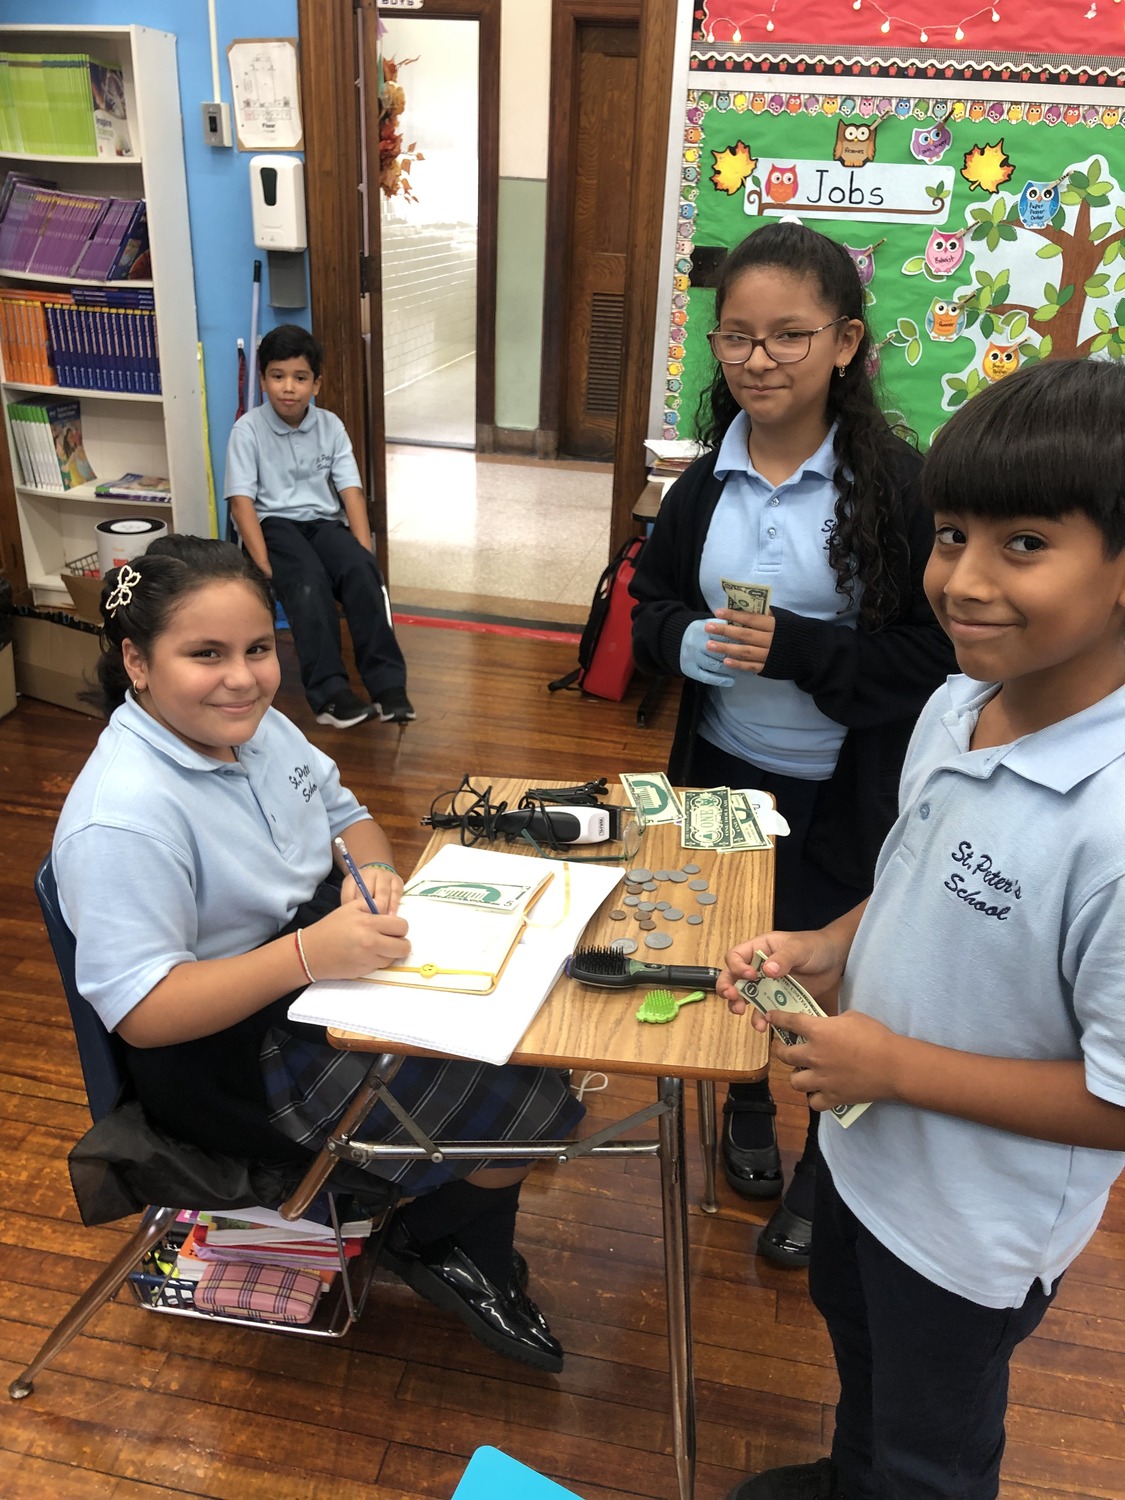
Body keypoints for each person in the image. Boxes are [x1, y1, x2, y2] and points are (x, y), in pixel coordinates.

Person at [719, 357, 1125, 1500]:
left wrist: (892, 1066)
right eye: (952, 536)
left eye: (1025, 543)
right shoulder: (956, 705)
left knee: (930, 1451)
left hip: (972, 1231)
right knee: (858, 1351)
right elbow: (917, 875)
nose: (965, 580)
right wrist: (831, 946)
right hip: (864, 1155)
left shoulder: (1112, 820)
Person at [52, 535, 582, 1373]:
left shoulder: (257, 730)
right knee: (536, 1108)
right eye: (205, 654)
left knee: (532, 1039)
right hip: (227, 1057)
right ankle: (437, 1239)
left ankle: (455, 1239)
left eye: (258, 649)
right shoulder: (122, 816)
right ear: (137, 662)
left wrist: (374, 874)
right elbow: (145, 1014)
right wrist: (307, 953)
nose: (242, 678)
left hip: (316, 971)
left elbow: (349, 817)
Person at [630, 221, 953, 1265]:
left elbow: (935, 655)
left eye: (788, 336)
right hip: (726, 776)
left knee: (837, 981)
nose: (757, 359)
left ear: (846, 343)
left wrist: (801, 650)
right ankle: (743, 1106)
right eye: (735, 337)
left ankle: (825, 1168)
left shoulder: (896, 489)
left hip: (850, 794)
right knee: (734, 961)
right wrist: (681, 641)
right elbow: (649, 602)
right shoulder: (704, 482)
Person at [225, 323, 414, 728]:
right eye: (277, 376)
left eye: (300, 378)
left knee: (362, 571)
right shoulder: (247, 430)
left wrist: (363, 552)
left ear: (316, 384)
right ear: (263, 380)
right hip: (273, 526)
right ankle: (330, 695)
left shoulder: (330, 426)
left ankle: (388, 688)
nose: (288, 387)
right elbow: (241, 504)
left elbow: (351, 493)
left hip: (323, 523)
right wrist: (265, 567)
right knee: (308, 580)